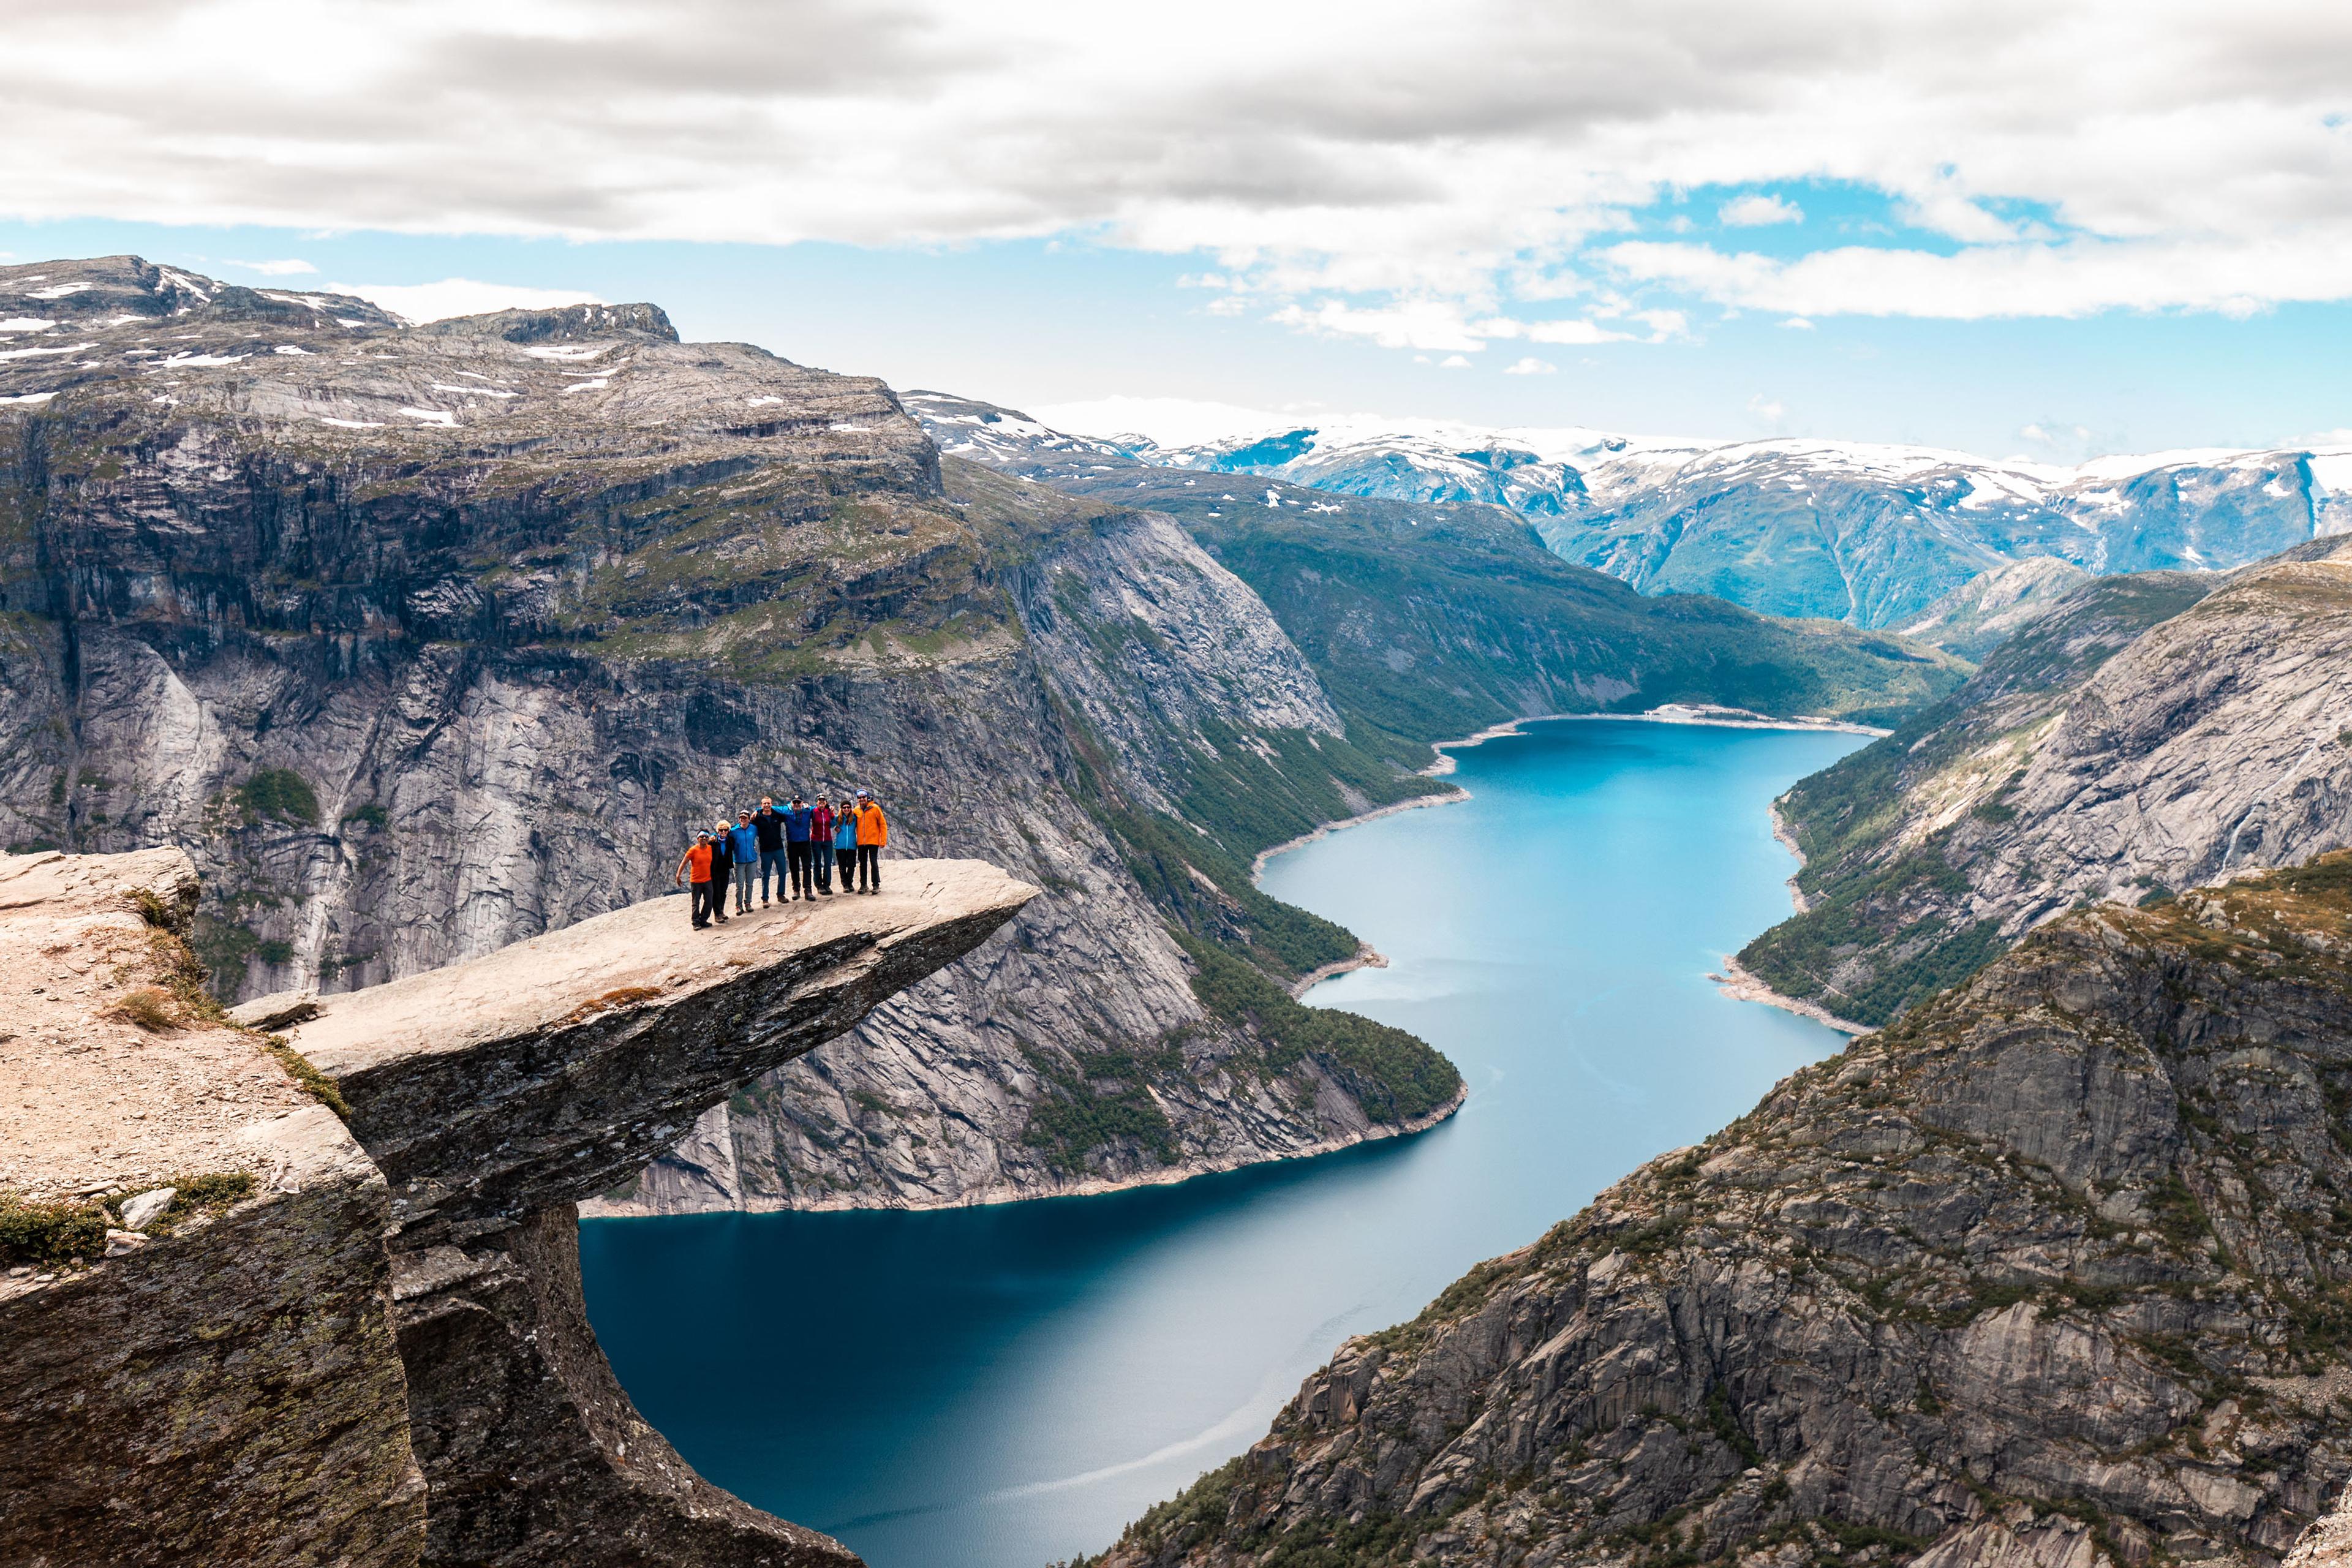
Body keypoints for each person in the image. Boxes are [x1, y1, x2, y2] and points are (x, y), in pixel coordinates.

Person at [672, 829, 717, 929]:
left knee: (709, 901)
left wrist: (713, 837)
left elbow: (718, 836)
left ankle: (703, 920)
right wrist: (678, 875)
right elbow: (684, 862)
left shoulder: (710, 848)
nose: (704, 838)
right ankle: (696, 922)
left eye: (706, 837)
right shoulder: (693, 850)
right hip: (696, 881)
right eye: (702, 837)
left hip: (708, 880)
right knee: (696, 902)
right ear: (698, 839)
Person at [751, 796, 786, 906]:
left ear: (772, 804)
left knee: (782, 872)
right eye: (764, 804)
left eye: (768, 803)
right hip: (766, 850)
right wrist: (756, 812)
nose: (767, 805)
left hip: (778, 848)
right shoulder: (757, 818)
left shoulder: (777, 815)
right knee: (765, 875)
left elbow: (788, 810)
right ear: (761, 805)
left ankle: (781, 895)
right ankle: (765, 898)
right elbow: (747, 825)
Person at [853, 790, 888, 894]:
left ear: (867, 798)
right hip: (861, 842)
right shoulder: (856, 810)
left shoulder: (875, 808)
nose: (862, 799)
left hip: (873, 841)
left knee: (873, 862)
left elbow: (883, 824)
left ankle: (876, 885)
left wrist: (883, 840)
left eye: (864, 797)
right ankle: (863, 885)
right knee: (862, 863)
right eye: (860, 798)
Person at [783, 792, 816, 900]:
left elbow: (819, 808)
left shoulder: (808, 811)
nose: (797, 804)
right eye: (795, 802)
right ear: (791, 803)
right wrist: (758, 811)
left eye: (799, 802)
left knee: (807, 867)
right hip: (792, 843)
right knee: (794, 867)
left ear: (802, 803)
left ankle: (808, 891)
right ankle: (796, 890)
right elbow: (771, 808)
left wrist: (829, 808)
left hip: (805, 843)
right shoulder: (786, 811)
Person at [727, 811, 760, 914]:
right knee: (739, 885)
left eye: (745, 818)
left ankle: (748, 903)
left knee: (750, 884)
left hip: (752, 860)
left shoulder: (754, 829)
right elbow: (722, 834)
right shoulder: (734, 831)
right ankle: (738, 905)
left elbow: (764, 831)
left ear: (749, 819)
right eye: (741, 817)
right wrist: (714, 836)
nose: (743, 819)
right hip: (739, 861)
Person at [704, 818, 734, 923]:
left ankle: (721, 911)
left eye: (725, 830)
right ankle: (717, 914)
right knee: (716, 892)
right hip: (715, 870)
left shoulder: (730, 840)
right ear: (718, 831)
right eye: (721, 830)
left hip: (725, 869)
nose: (723, 832)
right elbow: (703, 848)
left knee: (723, 891)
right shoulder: (713, 841)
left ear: (728, 831)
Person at [832, 797, 859, 893]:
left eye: (848, 807)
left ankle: (850, 883)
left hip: (852, 845)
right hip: (840, 846)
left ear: (851, 808)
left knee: (852, 866)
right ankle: (845, 885)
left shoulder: (855, 818)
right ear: (841, 809)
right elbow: (829, 823)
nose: (846, 809)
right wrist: (835, 827)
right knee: (842, 866)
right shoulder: (838, 819)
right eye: (844, 807)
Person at [810, 796, 836, 894]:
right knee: (817, 863)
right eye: (819, 801)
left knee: (828, 863)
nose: (821, 802)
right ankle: (819, 885)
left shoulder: (828, 812)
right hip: (816, 840)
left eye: (823, 801)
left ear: (826, 802)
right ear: (817, 802)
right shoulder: (814, 812)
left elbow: (834, 821)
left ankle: (827, 885)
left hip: (828, 840)